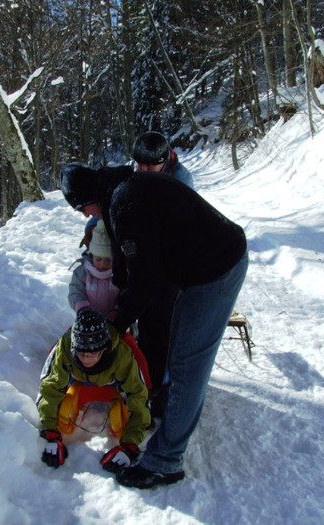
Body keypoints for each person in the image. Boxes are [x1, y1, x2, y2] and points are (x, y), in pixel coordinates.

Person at [59, 162, 248, 489]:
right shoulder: (120, 188)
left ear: (88, 200)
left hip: (215, 268)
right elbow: (130, 258)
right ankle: (171, 409)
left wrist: (116, 324)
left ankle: (165, 462)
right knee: (176, 346)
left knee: (188, 363)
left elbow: (145, 281)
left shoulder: (124, 203)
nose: (84, 215)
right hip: (198, 263)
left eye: (81, 209)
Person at [37, 309, 151, 473]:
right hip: (75, 378)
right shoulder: (65, 347)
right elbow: (50, 386)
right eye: (81, 353)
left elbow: (138, 395)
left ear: (104, 350)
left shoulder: (122, 356)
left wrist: (129, 445)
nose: (86, 359)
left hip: (112, 380)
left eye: (92, 354)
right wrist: (50, 431)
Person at [131, 131, 194, 417]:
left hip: (175, 261)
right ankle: (144, 376)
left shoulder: (181, 181)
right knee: (146, 322)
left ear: (163, 161)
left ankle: (163, 389)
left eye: (148, 167)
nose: (142, 171)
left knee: (165, 327)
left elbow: (179, 230)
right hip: (150, 257)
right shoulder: (141, 169)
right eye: (138, 165)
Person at [68, 220, 119, 316]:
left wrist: (118, 311)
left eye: (108, 260)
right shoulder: (82, 273)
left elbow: (126, 294)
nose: (103, 264)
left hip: (115, 320)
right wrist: (83, 310)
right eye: (98, 259)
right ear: (91, 255)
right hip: (89, 320)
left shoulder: (120, 273)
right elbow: (76, 292)